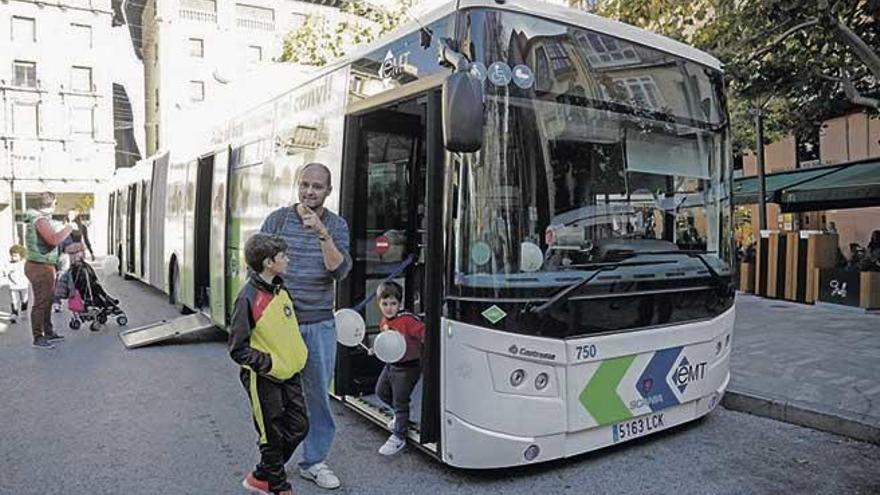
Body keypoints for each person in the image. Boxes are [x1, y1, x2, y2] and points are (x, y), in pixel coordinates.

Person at [259, 162, 351, 490]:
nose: (310, 191)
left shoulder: (336, 225)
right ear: (298, 186)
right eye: (305, 184)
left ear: (328, 191)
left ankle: (314, 461)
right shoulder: (278, 220)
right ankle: (272, 463)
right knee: (275, 400)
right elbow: (257, 268)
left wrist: (322, 234)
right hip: (280, 328)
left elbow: (340, 272)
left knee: (317, 398)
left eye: (317, 186)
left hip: (318, 325)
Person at [229, 233, 309, 495]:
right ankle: (277, 485)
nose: (288, 259)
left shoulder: (280, 289)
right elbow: (238, 349)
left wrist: (293, 357)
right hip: (264, 377)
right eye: (283, 256)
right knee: (271, 434)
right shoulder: (247, 299)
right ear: (268, 262)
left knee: (299, 427)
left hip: (290, 372)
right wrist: (271, 363)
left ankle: (263, 473)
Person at [373, 281, 425, 456]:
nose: (389, 308)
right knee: (381, 392)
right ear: (379, 304)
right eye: (385, 304)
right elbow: (386, 340)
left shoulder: (407, 320)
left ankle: (399, 437)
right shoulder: (385, 320)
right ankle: (400, 417)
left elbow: (425, 332)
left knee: (400, 401)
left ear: (400, 304)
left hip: (408, 367)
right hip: (391, 364)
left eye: (393, 304)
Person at [24, 192, 72, 349]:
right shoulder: (40, 220)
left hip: (43, 265)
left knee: (48, 300)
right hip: (40, 266)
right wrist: (69, 227)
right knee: (41, 302)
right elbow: (53, 239)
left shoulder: (38, 219)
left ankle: (48, 331)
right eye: (55, 203)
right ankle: (38, 337)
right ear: (52, 203)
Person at [2, 245, 30, 323]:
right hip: (13, 286)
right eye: (12, 255)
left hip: (23, 285)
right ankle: (14, 314)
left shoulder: (24, 263)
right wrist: (5, 272)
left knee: (24, 300)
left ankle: (24, 312)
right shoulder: (9, 264)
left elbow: (29, 271)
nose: (13, 257)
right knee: (14, 301)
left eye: (15, 256)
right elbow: (5, 272)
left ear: (21, 256)